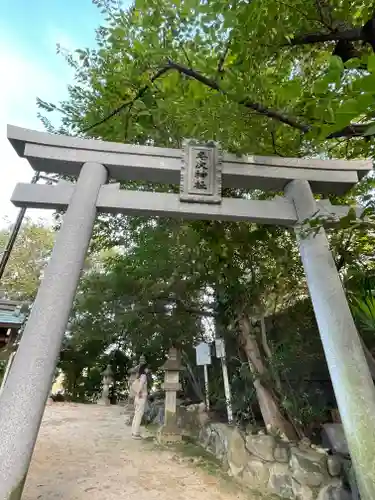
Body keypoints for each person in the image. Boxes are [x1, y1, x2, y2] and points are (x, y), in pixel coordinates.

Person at [131, 364, 149, 439]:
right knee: (139, 415)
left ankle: (134, 431)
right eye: (147, 368)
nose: (148, 370)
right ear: (144, 369)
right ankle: (136, 434)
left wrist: (137, 394)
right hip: (141, 397)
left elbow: (134, 385)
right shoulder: (143, 376)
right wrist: (139, 392)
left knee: (136, 414)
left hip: (137, 397)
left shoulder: (138, 376)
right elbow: (141, 385)